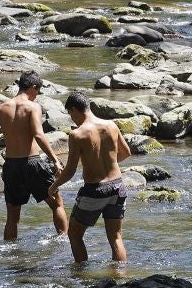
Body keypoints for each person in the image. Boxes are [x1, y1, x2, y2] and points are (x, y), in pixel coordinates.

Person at [0, 71, 67, 241]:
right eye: (38, 92)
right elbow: (39, 135)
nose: (37, 96)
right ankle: (64, 242)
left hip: (11, 166)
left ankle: (10, 252)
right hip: (32, 163)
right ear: (34, 87)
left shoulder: (1, 109)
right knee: (57, 204)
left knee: (12, 217)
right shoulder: (33, 107)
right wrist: (55, 160)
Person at [48, 93, 131, 263]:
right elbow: (126, 153)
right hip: (118, 186)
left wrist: (53, 186)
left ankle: (82, 277)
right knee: (115, 237)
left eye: (71, 114)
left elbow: (70, 170)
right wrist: (107, 163)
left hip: (95, 190)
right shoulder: (111, 125)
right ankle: (121, 281)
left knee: (74, 234)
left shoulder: (77, 134)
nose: (72, 119)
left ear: (74, 110)